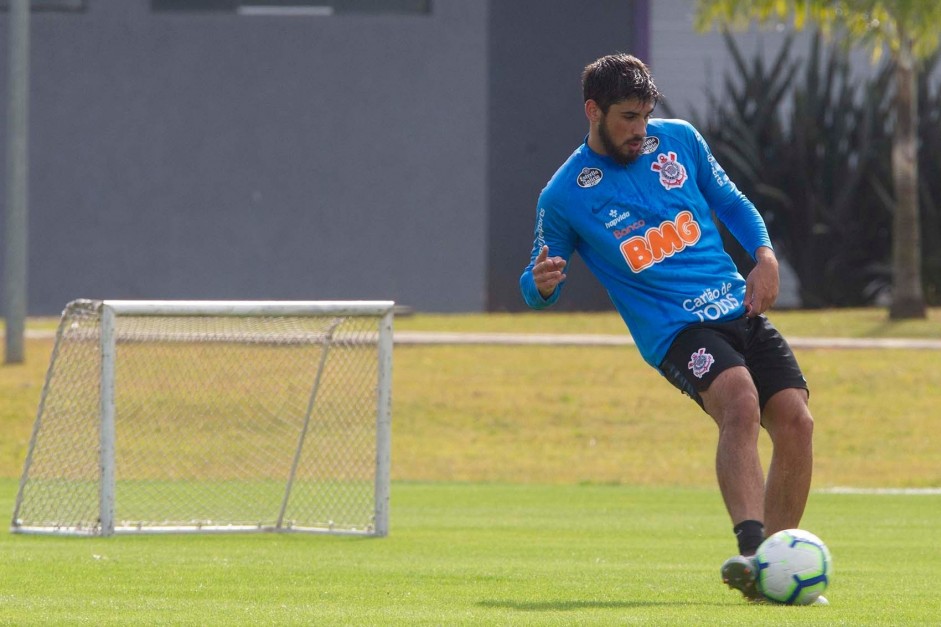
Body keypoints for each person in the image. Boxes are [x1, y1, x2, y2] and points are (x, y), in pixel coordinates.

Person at [519, 53, 819, 603]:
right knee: (740, 401)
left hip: (736, 306)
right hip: (677, 332)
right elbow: (537, 284)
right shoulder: (564, 194)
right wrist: (540, 285)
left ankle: (772, 577)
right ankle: (752, 552)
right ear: (593, 111)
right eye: (628, 118)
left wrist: (765, 256)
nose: (640, 129)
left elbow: (731, 202)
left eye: (646, 115)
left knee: (797, 422)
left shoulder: (679, 140)